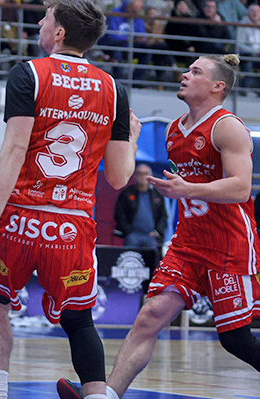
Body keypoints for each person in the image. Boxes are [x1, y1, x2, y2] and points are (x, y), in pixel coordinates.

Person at [0, 0, 139, 399]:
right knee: (79, 321)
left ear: (59, 32)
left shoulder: (29, 73)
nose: (40, 24)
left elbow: (14, 149)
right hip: (71, 225)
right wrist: (131, 138)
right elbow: (118, 177)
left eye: (45, 19)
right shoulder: (113, 89)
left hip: (20, 217)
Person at [58, 54, 260, 399]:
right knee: (149, 316)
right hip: (188, 244)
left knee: (235, 338)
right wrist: (132, 137)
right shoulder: (173, 130)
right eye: (188, 69)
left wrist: (187, 189)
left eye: (195, 71)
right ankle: (108, 394)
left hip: (229, 245)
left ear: (217, 86)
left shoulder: (227, 126)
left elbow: (241, 188)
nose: (185, 74)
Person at [112, 164, 167, 250]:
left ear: (151, 176)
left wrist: (158, 231)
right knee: (130, 256)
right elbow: (119, 214)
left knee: (152, 256)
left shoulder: (157, 194)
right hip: (132, 235)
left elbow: (163, 215)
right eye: (140, 173)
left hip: (151, 236)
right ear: (135, 176)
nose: (143, 176)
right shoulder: (127, 193)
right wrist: (128, 231)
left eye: (146, 174)